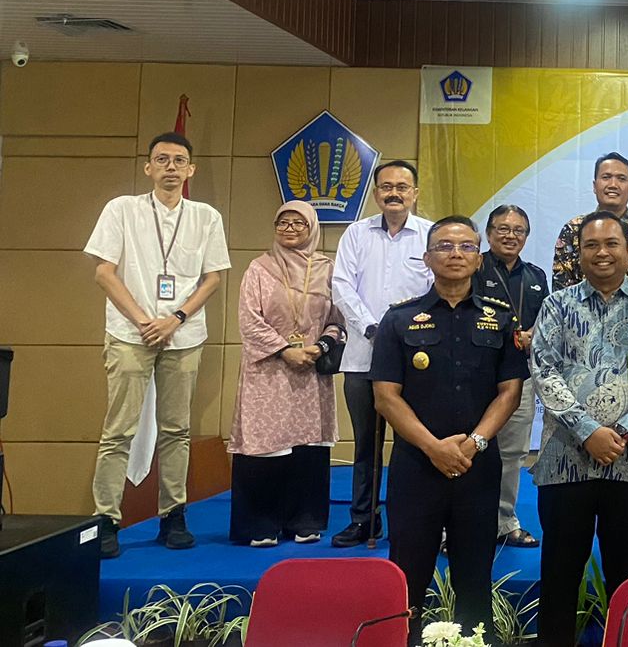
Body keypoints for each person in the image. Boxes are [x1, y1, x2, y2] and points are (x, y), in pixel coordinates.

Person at [530, 211, 628, 647]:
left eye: (612, 244)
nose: (602, 253)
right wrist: (587, 431)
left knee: (627, 575)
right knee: (559, 573)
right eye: (591, 245)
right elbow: (543, 371)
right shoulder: (557, 305)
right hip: (565, 461)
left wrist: (625, 430)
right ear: (578, 254)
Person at [371, 216, 525, 638]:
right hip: (416, 466)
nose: (455, 254)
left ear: (479, 259)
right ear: (427, 258)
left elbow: (510, 393)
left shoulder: (501, 320)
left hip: (478, 467)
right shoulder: (399, 320)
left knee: (474, 577)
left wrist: (473, 444)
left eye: (465, 246)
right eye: (444, 246)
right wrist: (433, 447)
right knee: (408, 576)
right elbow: (386, 397)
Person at [84, 132, 230, 559]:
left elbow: (213, 278)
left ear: (190, 170)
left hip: (183, 335)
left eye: (179, 160)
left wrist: (175, 318)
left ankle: (173, 514)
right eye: (162, 159)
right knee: (118, 430)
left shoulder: (206, 216)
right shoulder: (122, 209)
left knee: (176, 429)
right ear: (148, 167)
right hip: (130, 333)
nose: (170, 167)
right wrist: (143, 320)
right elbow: (104, 272)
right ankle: (106, 519)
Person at [330, 159, 434, 547]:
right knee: (366, 445)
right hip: (363, 354)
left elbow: (436, 290)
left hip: (417, 359)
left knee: (415, 443)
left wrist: (406, 334)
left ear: (415, 193)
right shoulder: (356, 234)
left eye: (402, 187)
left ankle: (412, 520)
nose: (394, 193)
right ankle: (364, 519)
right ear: (375, 194)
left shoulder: (429, 235)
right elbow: (341, 286)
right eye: (386, 187)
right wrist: (373, 328)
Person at [229, 200, 344, 547]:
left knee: (308, 447)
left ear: (312, 228)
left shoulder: (327, 269)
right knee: (266, 446)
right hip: (268, 371)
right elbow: (249, 320)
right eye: (283, 222)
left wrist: (321, 346)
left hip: (310, 370)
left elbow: (339, 319)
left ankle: (304, 520)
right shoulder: (259, 269)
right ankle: (261, 524)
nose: (290, 229)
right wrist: (285, 350)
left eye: (298, 223)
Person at [472, 204, 549, 549]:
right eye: (502, 229)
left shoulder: (535, 276)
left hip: (519, 377)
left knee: (513, 453)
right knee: (470, 448)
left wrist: (534, 334)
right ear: (488, 234)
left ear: (526, 237)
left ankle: (504, 521)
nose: (510, 235)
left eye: (518, 230)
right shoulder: (473, 267)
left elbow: (547, 320)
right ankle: (456, 526)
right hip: (477, 376)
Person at [551, 152, 628, 290]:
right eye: (606, 177)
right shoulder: (573, 229)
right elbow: (562, 289)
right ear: (594, 185)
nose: (613, 185)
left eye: (621, 179)